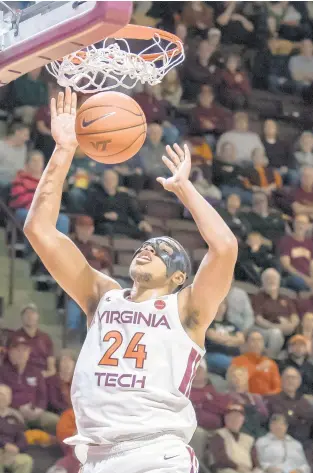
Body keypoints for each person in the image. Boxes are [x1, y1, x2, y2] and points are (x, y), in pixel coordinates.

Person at [23, 88, 238, 473]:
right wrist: (64, 148)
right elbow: (39, 229)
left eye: (162, 250)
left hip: (157, 454)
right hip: (97, 456)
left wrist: (184, 189)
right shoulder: (103, 296)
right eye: (147, 245)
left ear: (178, 277)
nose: (149, 249)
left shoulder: (186, 309)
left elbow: (224, 247)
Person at [0, 336, 59, 434]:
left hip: (35, 411)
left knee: (57, 422)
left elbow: (43, 395)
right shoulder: (2, 371)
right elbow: (2, 398)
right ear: (9, 352)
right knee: (11, 422)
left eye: (24, 350)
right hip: (12, 411)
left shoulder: (35, 372)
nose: (21, 353)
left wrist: (39, 409)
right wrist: (18, 407)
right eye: (17, 350)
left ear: (29, 352)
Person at [85, 169, 152, 239]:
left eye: (112, 179)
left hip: (122, 225)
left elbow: (134, 212)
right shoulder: (94, 196)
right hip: (104, 224)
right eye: (106, 179)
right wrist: (104, 215)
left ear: (117, 181)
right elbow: (89, 213)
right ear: (101, 181)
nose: (109, 182)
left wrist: (141, 221)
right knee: (107, 228)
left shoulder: (124, 196)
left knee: (144, 231)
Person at [266, 366, 313, 465]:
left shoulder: (305, 402)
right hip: (285, 443)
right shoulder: (273, 400)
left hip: (307, 444)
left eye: (294, 378)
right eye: (287, 377)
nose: (290, 381)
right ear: (281, 381)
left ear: (299, 382)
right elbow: (281, 422)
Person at [251, 268, 299, 358]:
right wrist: (276, 327)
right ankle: (271, 359)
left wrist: (291, 326)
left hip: (287, 330)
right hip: (266, 330)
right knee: (275, 333)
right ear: (263, 282)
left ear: (279, 281)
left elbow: (295, 317)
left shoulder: (285, 298)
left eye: (274, 278)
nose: (271, 281)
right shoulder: (258, 297)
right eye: (268, 278)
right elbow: (258, 319)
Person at [208, 404, 261, 473]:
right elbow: (220, 459)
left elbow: (255, 461)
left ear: (243, 420)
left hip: (248, 470)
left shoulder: (249, 439)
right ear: (225, 419)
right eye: (231, 417)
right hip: (228, 469)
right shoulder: (218, 435)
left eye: (237, 417)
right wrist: (237, 467)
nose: (234, 420)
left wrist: (255, 469)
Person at [11, 303, 56, 378]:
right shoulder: (14, 337)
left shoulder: (45, 338)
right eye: (26, 313)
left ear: (37, 316)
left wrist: (41, 376)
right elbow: (11, 363)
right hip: (22, 376)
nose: (30, 316)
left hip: (42, 375)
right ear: (22, 317)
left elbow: (51, 368)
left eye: (33, 313)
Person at [232, 331, 281, 396]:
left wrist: (270, 396)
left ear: (263, 344)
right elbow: (238, 382)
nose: (257, 343)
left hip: (269, 399)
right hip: (248, 398)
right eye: (253, 340)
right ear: (246, 344)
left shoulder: (271, 363)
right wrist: (257, 368)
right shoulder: (237, 361)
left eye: (259, 340)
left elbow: (277, 387)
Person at [205, 300, 245, 377]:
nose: (220, 306)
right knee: (237, 366)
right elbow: (214, 337)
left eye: (223, 303)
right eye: (218, 303)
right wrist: (233, 340)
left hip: (235, 356)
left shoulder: (231, 324)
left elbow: (241, 340)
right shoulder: (208, 323)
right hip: (214, 354)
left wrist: (224, 340)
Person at [226, 366, 268, 439]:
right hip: (240, 430)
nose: (238, 379)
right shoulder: (227, 396)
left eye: (240, 375)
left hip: (258, 429)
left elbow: (264, 415)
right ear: (230, 379)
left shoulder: (256, 397)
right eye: (234, 376)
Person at [0, 384, 33, 473]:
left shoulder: (15, 416)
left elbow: (22, 437)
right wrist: (5, 445)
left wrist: (17, 448)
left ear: (10, 399)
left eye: (6, 395)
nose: (3, 397)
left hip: (10, 452)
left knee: (26, 460)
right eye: (1, 394)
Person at [190, 360, 231, 431]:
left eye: (199, 368)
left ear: (205, 372)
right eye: (193, 368)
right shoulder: (184, 391)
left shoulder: (216, 386)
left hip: (223, 428)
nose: (196, 371)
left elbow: (226, 406)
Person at [279, 214, 313, 292]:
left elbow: (312, 264)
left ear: (308, 226)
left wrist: (311, 279)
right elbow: (286, 266)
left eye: (303, 223)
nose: (300, 225)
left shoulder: (310, 243)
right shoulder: (286, 241)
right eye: (298, 222)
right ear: (294, 224)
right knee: (298, 281)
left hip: (308, 278)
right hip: (292, 277)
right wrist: (305, 279)